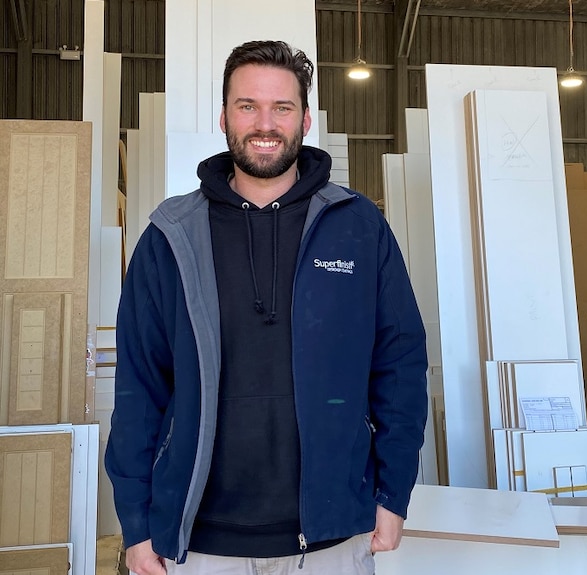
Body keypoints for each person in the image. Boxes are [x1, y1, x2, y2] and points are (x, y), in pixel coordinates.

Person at [105, 40, 429, 575]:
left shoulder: (358, 228)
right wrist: (137, 527)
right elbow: (139, 385)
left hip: (332, 537)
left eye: (282, 108)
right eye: (247, 105)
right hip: (201, 541)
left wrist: (393, 495)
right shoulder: (172, 235)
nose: (265, 123)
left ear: (305, 120)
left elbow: (399, 368)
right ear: (224, 116)